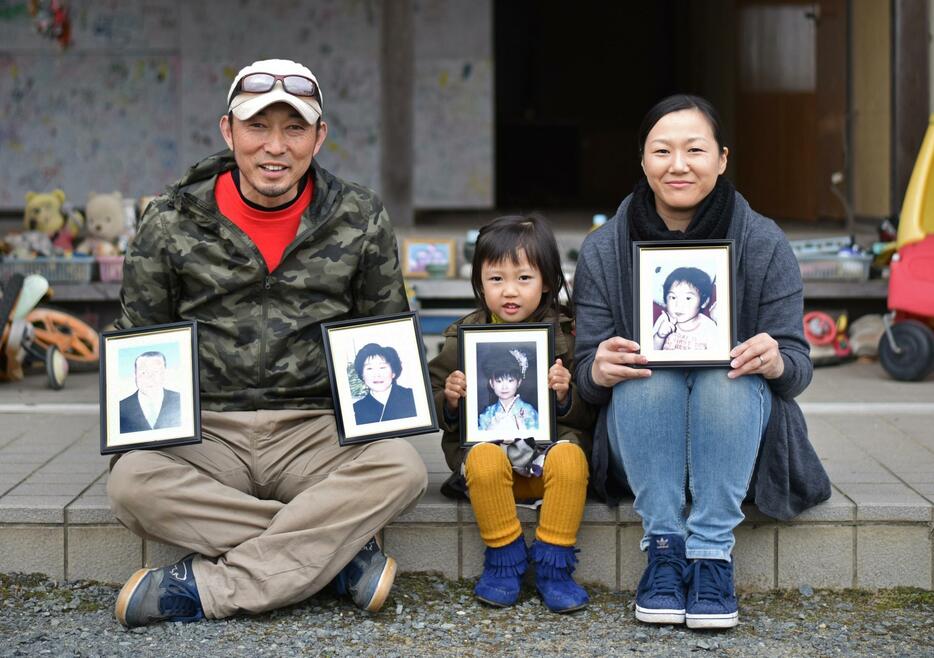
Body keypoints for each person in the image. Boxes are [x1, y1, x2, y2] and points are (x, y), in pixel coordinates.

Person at [107, 58, 428, 628]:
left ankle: (208, 589)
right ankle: (335, 559)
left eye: (295, 128)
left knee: (402, 467)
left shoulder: (360, 216)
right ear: (228, 130)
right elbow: (139, 340)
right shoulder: (170, 220)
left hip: (315, 429)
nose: (274, 147)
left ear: (319, 136)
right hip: (208, 430)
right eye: (257, 127)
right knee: (132, 483)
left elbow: (386, 336)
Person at [573, 95, 830, 630]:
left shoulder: (763, 242)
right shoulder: (602, 249)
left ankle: (712, 555)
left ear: (723, 158)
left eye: (695, 149)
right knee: (646, 379)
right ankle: (665, 550)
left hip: (735, 428)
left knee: (726, 376)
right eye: (662, 151)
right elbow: (583, 379)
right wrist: (597, 369)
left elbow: (798, 367)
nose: (678, 164)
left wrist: (776, 361)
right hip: (642, 433)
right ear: (642, 161)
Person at [428, 214, 596, 613]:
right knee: (484, 456)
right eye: (496, 278)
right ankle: (504, 559)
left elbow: (592, 413)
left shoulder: (568, 337)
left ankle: (554, 566)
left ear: (548, 283)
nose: (510, 291)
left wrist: (565, 396)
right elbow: (431, 398)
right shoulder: (462, 338)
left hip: (548, 471)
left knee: (572, 456)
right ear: (479, 283)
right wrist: (450, 399)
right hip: (490, 475)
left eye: (524, 278)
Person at [652, 267, 718, 351]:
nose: (679, 305)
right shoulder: (664, 320)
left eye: (688, 298)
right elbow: (649, 355)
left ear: (704, 302)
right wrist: (659, 336)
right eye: (673, 297)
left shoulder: (709, 327)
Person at [477, 346, 539, 432]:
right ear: (491, 383)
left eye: (510, 380)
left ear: (519, 382)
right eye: (499, 381)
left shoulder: (528, 411)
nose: (504, 387)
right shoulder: (488, 413)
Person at [352, 343, 417, 424]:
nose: (377, 374)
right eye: (369, 368)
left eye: (382, 367)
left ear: (393, 372)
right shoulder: (355, 409)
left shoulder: (413, 396)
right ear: (362, 375)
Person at [119, 351, 182, 433]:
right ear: (135, 374)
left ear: (165, 373)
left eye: (156, 372)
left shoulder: (181, 400)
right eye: (143, 372)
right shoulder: (120, 408)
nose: (149, 378)